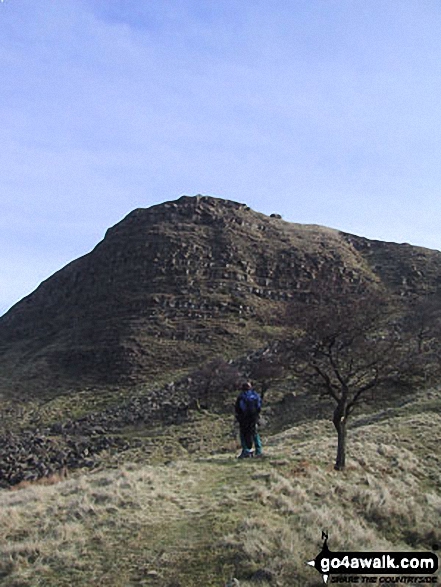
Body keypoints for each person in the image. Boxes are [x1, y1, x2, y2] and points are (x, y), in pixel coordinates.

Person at [235, 381, 263, 458]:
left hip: (244, 419)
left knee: (243, 434)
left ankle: (246, 451)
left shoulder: (241, 396)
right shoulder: (255, 395)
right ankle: (259, 450)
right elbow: (259, 406)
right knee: (255, 433)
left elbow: (238, 409)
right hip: (254, 418)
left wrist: (238, 417)